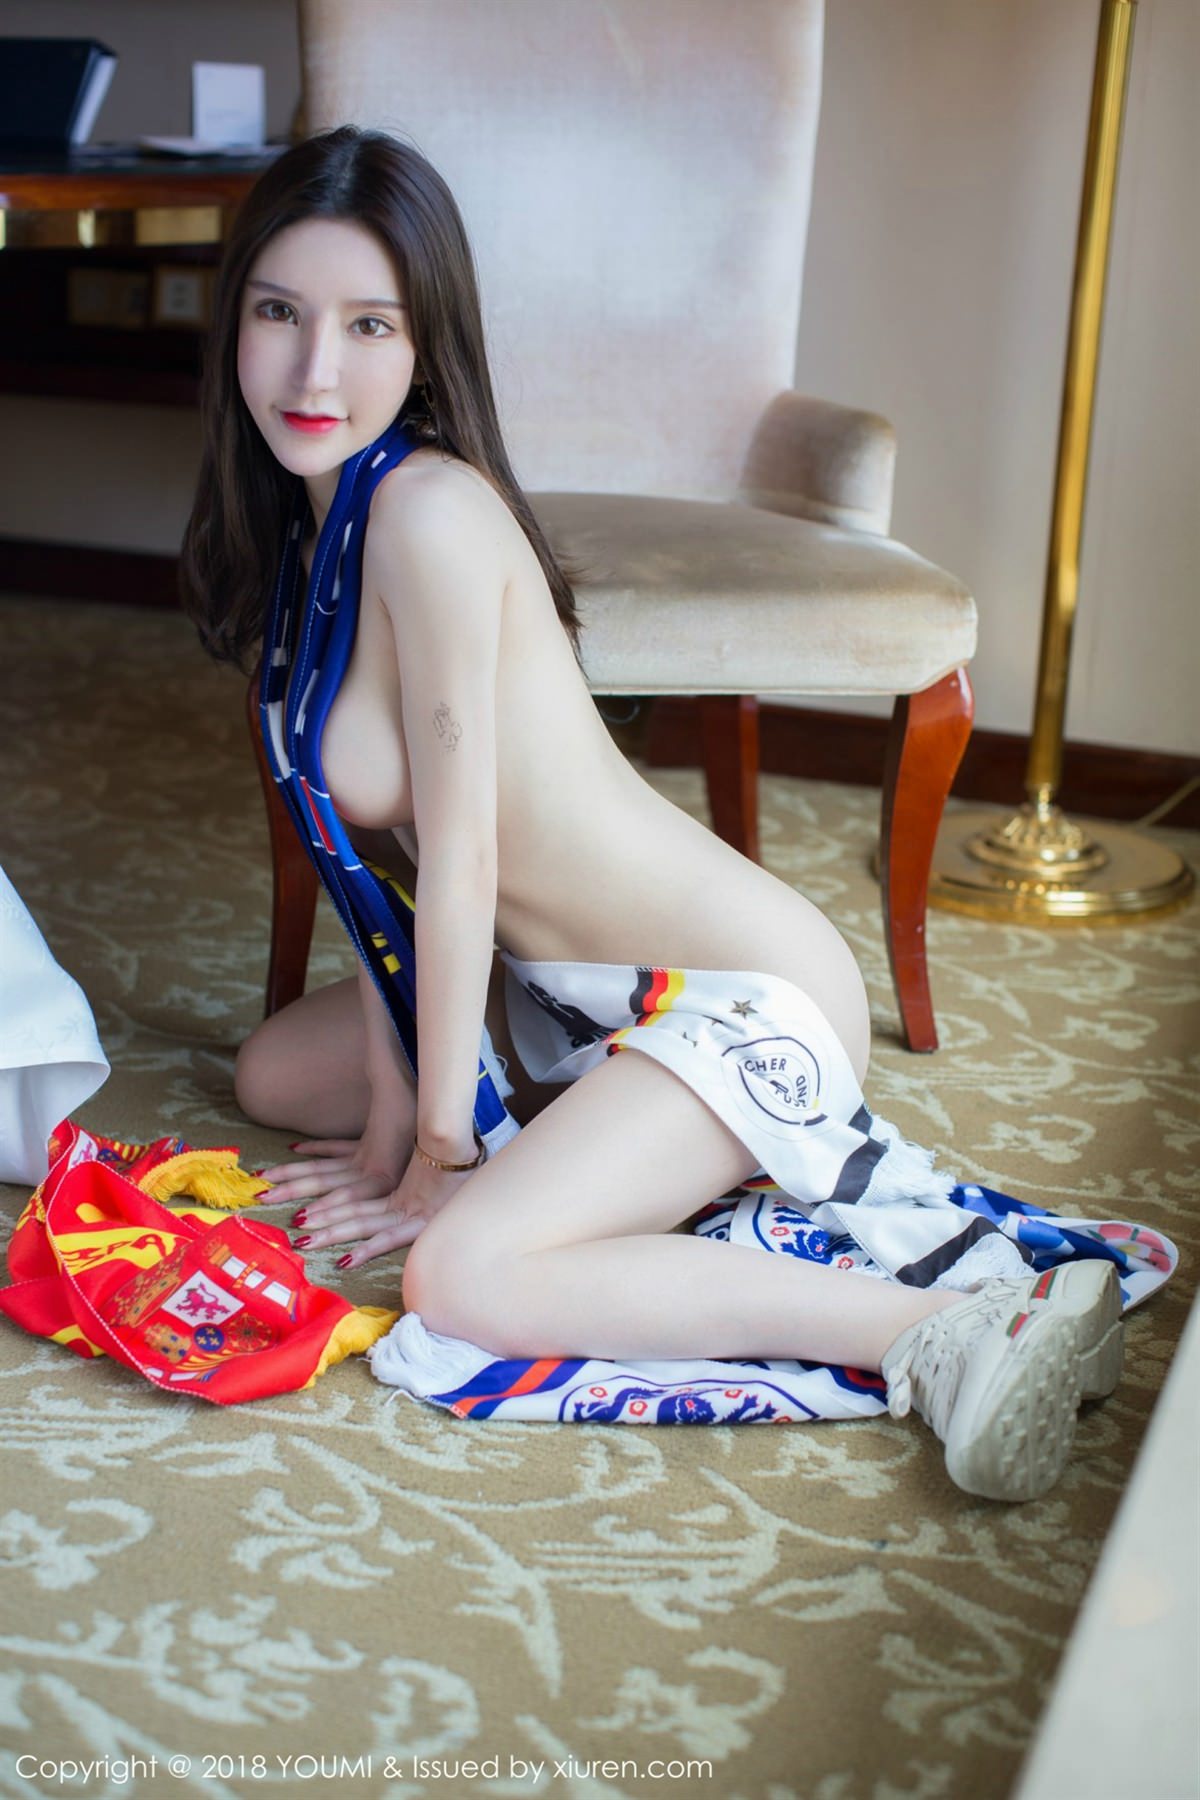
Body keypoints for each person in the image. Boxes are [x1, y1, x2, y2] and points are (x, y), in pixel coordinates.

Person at [181, 126, 1122, 1500]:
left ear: (427, 347)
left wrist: (441, 1149)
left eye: (368, 324)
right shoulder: (311, 530)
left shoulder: (428, 517)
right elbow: (376, 877)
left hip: (739, 996)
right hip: (559, 988)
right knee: (276, 1078)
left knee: (463, 1273)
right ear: (235, 323)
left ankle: (946, 1330)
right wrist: (387, 1126)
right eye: (280, 313)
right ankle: (592, 1150)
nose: (314, 370)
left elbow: (464, 859)